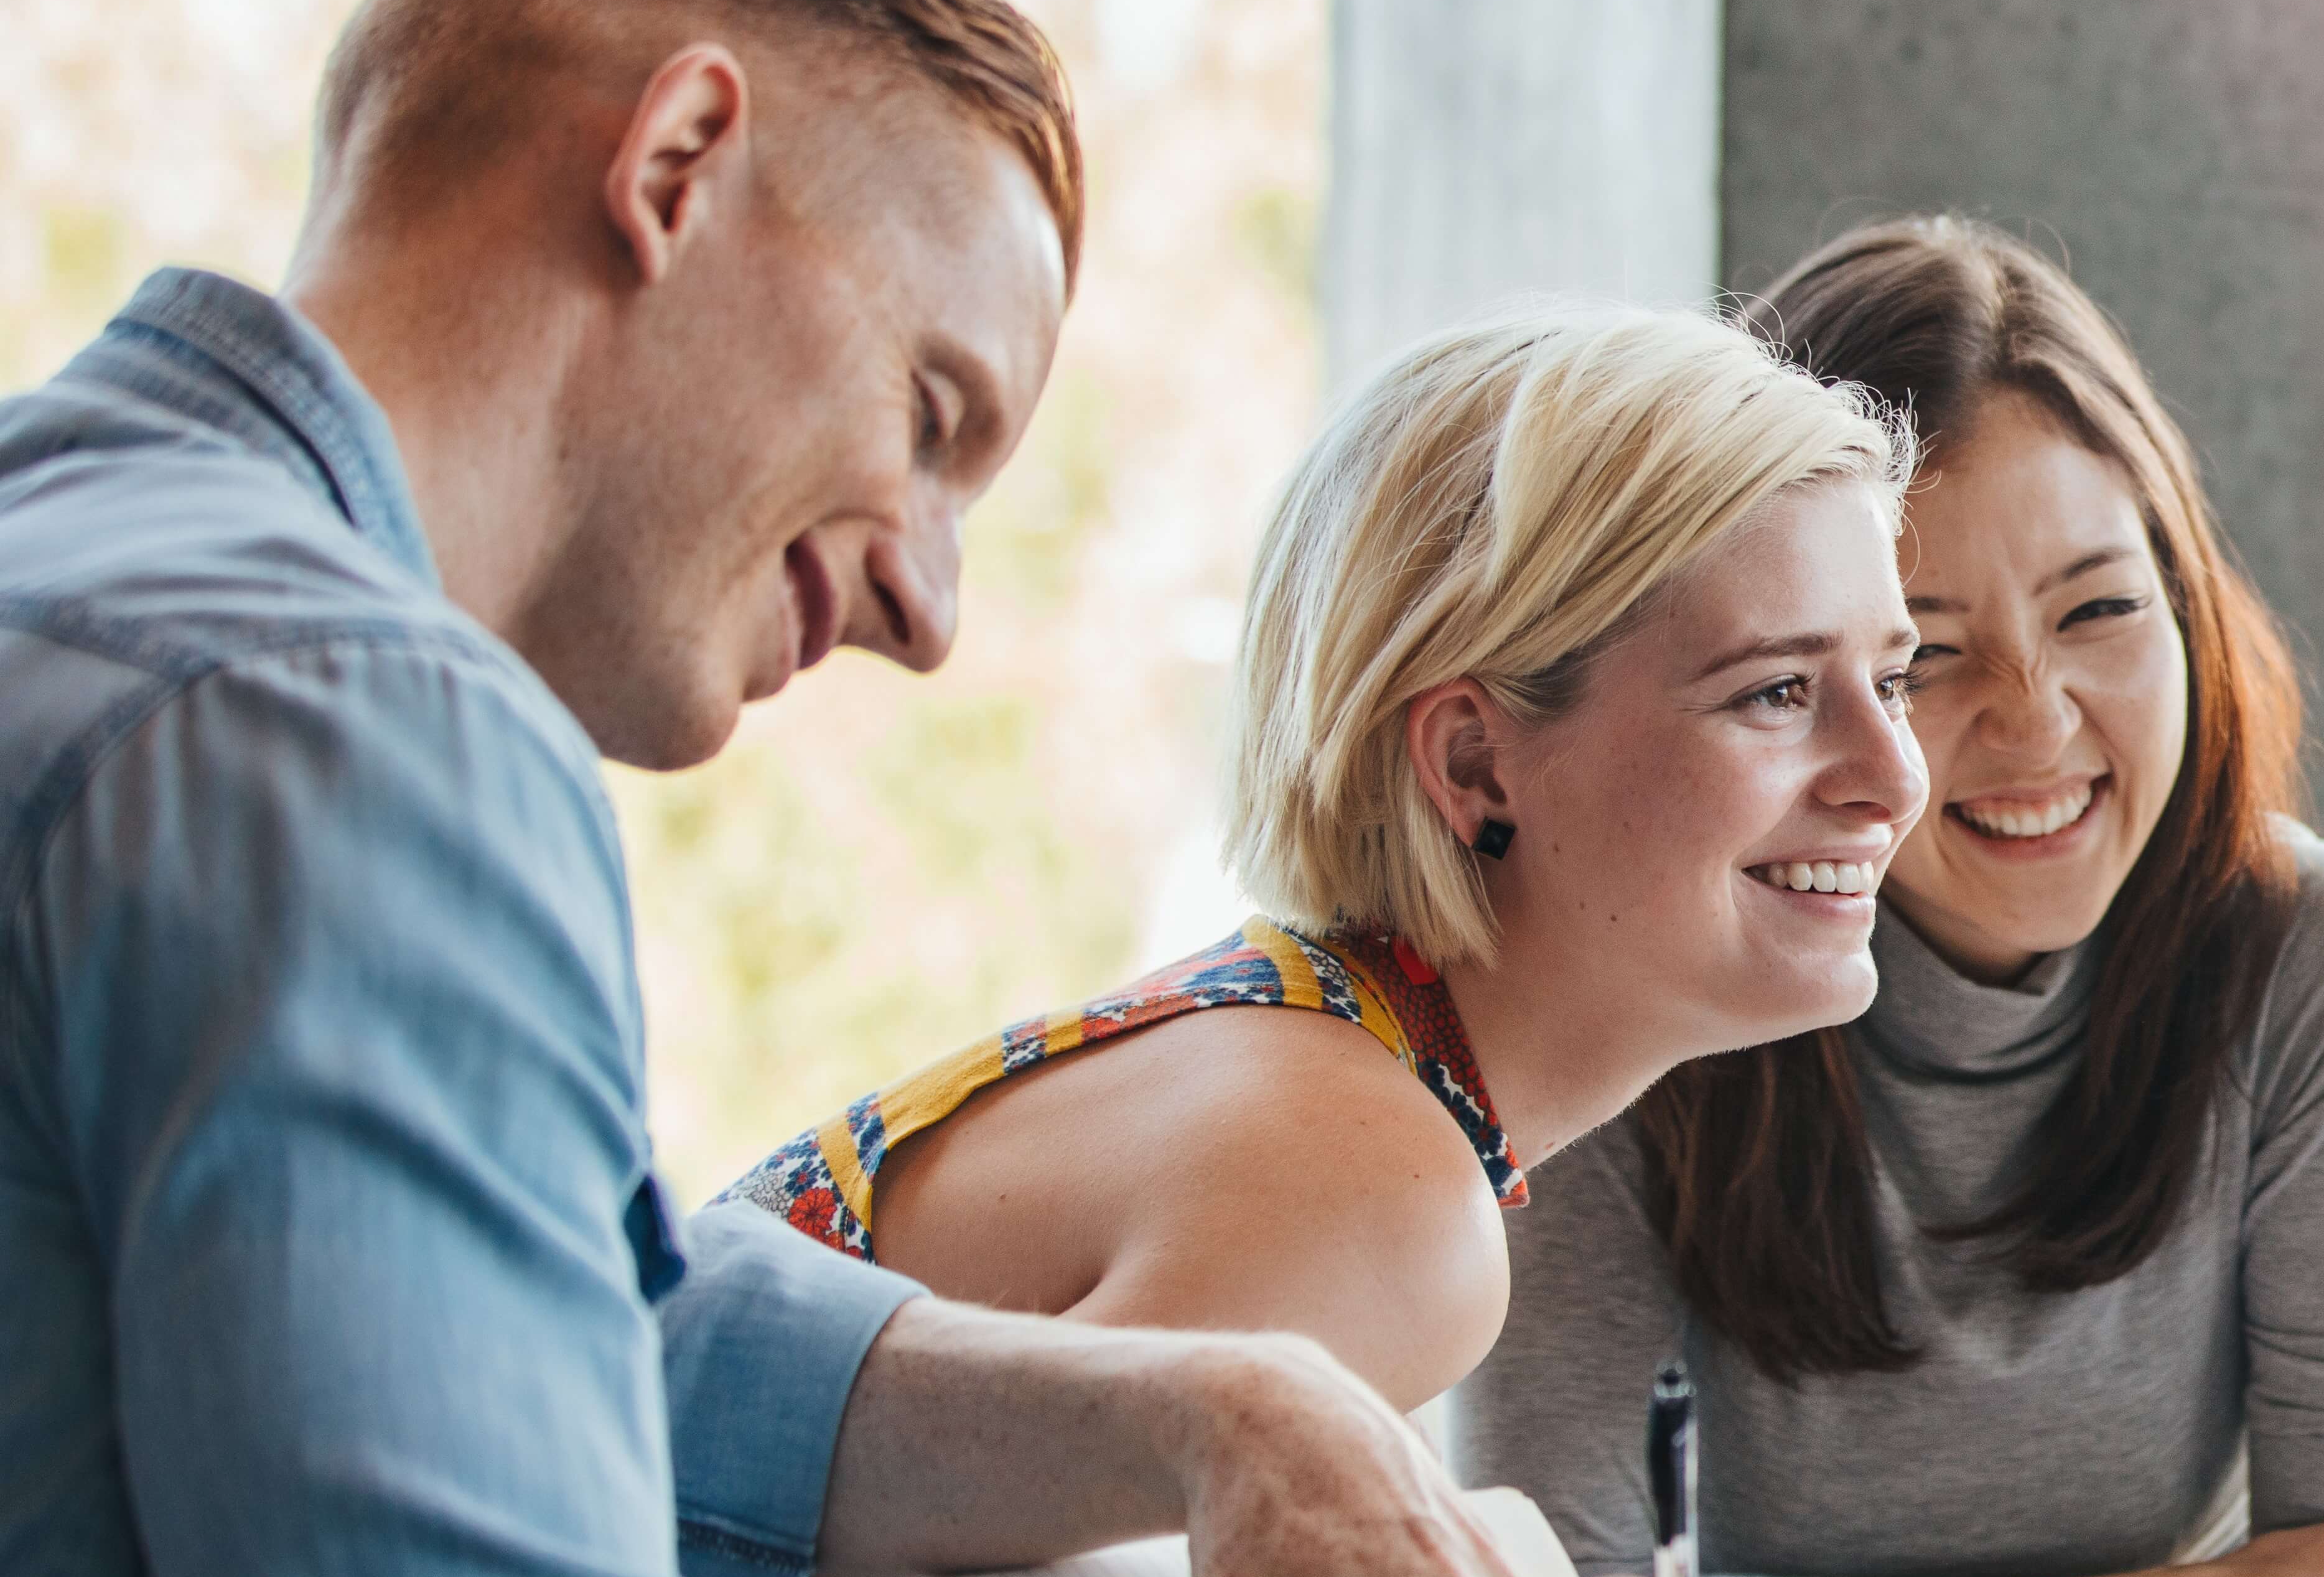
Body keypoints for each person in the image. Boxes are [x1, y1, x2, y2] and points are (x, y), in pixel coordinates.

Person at [0, 0, 1758, 1577]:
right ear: (678, 163)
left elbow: (576, 1329)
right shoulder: (351, 727)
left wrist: (1230, 1409)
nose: (929, 610)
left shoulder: (93, 588)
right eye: (931, 411)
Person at [1455, 214, 2324, 1577]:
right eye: (1926, 656)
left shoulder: (2321, 962)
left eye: (2101, 611)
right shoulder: (1635, 970)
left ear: (2190, 605)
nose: (2034, 719)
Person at [718, 300, 1928, 1413]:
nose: (1896, 776)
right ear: (1471, 764)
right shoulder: (1379, 1202)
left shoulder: (1319, 1054)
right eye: (1776, 691)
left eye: (1893, 681)